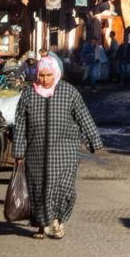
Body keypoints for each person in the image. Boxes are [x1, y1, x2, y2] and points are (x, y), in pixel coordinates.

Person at [13, 58, 103, 240]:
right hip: (36, 151)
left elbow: (83, 116)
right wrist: (18, 151)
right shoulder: (29, 94)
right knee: (39, 189)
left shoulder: (69, 92)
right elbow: (20, 124)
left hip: (65, 150)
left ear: (56, 74)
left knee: (63, 187)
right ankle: (41, 225)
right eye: (41, 75)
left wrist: (94, 140)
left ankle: (57, 221)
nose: (45, 79)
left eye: (48, 75)